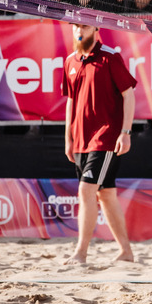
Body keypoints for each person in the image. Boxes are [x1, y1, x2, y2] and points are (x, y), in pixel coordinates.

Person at [61, 23, 136, 265]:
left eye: (84, 26)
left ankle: (80, 253)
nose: (78, 30)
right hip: (80, 138)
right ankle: (126, 252)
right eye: (75, 26)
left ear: (96, 29)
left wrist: (125, 132)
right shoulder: (71, 61)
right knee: (106, 195)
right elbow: (70, 102)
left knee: (86, 190)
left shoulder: (110, 58)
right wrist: (68, 138)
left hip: (105, 137)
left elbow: (129, 95)